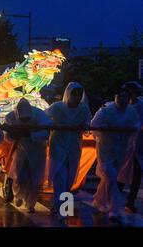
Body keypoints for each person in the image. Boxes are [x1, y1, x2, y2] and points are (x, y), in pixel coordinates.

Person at [91, 88, 139, 223]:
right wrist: (107, 130)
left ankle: (99, 201)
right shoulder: (106, 111)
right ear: (115, 97)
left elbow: (135, 126)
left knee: (109, 178)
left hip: (120, 150)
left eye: (125, 97)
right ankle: (114, 209)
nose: (122, 99)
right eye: (119, 96)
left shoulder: (131, 111)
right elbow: (94, 125)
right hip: (105, 149)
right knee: (111, 176)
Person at [45, 82, 91, 215]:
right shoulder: (57, 107)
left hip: (74, 149)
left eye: (79, 95)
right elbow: (44, 118)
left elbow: (88, 123)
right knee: (60, 177)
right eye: (74, 94)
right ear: (68, 94)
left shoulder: (84, 109)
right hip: (58, 147)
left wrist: (83, 127)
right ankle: (63, 211)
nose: (76, 97)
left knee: (70, 179)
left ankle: (57, 205)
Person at [4, 98, 52, 213]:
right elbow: (7, 137)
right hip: (22, 150)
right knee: (20, 177)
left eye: (27, 119)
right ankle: (18, 195)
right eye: (22, 119)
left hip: (38, 151)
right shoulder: (11, 117)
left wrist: (29, 134)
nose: (25, 121)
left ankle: (30, 203)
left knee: (36, 179)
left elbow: (46, 133)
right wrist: (12, 133)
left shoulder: (40, 115)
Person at [117, 82, 143, 213]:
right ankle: (114, 199)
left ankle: (130, 201)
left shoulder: (140, 106)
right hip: (123, 145)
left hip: (137, 145)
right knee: (120, 173)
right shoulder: (120, 107)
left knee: (136, 174)